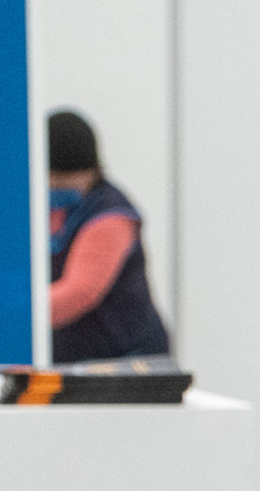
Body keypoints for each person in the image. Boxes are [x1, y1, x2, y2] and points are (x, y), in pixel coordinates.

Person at [45, 108, 171, 363]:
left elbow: (79, 291)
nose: (57, 186)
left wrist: (14, 316)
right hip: (74, 357)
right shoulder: (45, 209)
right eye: (52, 178)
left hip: (127, 359)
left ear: (92, 171)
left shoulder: (110, 217)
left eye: (67, 179)